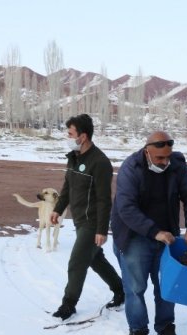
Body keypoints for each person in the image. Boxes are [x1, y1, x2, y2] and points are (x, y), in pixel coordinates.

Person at [110, 131, 187, 335]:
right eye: (159, 158)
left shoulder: (177, 165)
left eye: (167, 157)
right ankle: (138, 330)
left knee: (167, 284)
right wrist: (154, 231)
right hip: (134, 235)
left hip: (167, 234)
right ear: (147, 151)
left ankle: (166, 326)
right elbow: (126, 208)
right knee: (135, 286)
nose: (164, 162)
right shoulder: (131, 168)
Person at [49, 114, 124, 320]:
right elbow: (68, 187)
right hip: (79, 219)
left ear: (82, 136)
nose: (67, 136)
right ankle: (120, 289)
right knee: (95, 259)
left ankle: (68, 304)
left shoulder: (99, 162)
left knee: (77, 262)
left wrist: (101, 229)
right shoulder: (74, 157)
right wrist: (58, 208)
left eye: (70, 133)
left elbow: (104, 199)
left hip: (92, 222)